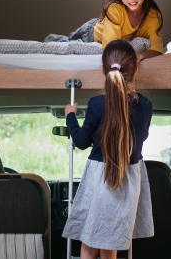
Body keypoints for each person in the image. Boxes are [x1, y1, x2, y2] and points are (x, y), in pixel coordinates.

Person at [62, 40, 154, 259]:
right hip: (129, 178)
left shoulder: (96, 104)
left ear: (103, 70)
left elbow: (82, 142)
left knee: (89, 241)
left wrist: (70, 117)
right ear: (136, 70)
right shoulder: (145, 106)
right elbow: (143, 136)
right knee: (109, 241)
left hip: (99, 178)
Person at [68, 0, 164, 63]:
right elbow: (111, 48)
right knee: (64, 43)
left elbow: (157, 51)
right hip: (90, 33)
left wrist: (139, 55)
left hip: (106, 29)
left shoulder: (154, 16)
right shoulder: (115, 9)